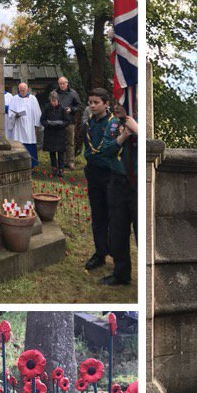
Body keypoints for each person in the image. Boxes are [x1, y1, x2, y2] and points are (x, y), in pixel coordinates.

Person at [80, 87, 119, 271]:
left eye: (96, 102)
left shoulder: (114, 123)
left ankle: (116, 252)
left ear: (106, 104)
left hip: (110, 174)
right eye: (90, 102)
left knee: (113, 216)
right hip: (94, 173)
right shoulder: (88, 124)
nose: (93, 106)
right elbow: (88, 149)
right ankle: (100, 252)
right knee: (98, 214)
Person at [100, 109, 138, 285]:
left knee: (141, 232)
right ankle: (121, 273)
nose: (118, 105)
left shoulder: (142, 122)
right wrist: (123, 136)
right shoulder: (114, 124)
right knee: (117, 230)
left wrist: (137, 130)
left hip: (138, 183)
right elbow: (106, 150)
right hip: (118, 182)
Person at [49, 75, 82, 170]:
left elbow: (79, 106)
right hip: (58, 122)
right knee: (60, 142)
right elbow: (50, 105)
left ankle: (70, 162)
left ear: (67, 83)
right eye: (60, 84)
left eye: (64, 83)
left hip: (70, 121)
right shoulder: (54, 93)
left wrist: (71, 109)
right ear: (58, 84)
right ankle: (61, 162)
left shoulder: (73, 93)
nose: (62, 85)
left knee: (70, 142)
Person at [7, 81, 41, 168]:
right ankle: (18, 164)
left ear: (27, 89)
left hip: (29, 127)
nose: (22, 92)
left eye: (24, 90)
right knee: (19, 143)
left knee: (30, 142)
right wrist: (15, 116)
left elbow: (37, 113)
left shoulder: (33, 99)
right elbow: (10, 112)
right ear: (18, 90)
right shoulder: (14, 98)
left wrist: (36, 126)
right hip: (18, 127)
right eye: (20, 90)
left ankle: (32, 164)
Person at [40, 92, 71, 177]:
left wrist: (60, 125)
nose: (53, 103)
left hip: (60, 133)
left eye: (54, 101)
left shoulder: (62, 109)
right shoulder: (47, 108)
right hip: (50, 133)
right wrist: (48, 124)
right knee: (52, 152)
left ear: (58, 100)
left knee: (60, 152)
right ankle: (54, 168)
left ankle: (61, 169)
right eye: (51, 101)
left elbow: (67, 121)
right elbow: (42, 120)